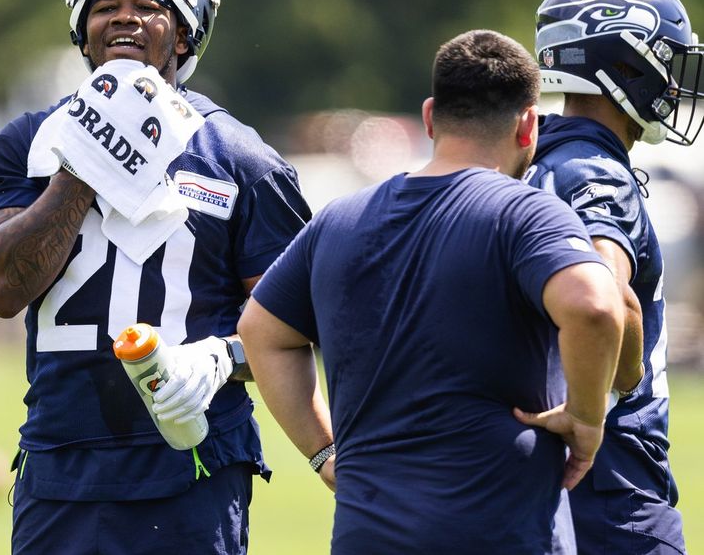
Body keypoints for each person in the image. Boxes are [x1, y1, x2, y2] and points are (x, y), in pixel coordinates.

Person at [0, 0, 311, 555]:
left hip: (191, 468)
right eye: (108, 6)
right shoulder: (28, 145)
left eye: (147, 5)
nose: (124, 19)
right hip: (61, 463)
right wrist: (89, 160)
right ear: (83, 27)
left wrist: (217, 360)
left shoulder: (241, 160)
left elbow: (300, 323)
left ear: (183, 31)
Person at [238, 29, 625, 554]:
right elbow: (595, 307)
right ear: (528, 125)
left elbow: (260, 330)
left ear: (428, 117)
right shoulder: (526, 212)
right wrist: (586, 418)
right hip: (501, 534)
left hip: (367, 536)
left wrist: (322, 453)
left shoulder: (338, 221)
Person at [529, 0, 700, 554]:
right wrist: (601, 401)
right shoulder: (595, 170)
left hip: (553, 487)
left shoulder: (538, 159)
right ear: (627, 61)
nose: (676, 84)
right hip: (611, 483)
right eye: (667, 61)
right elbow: (612, 301)